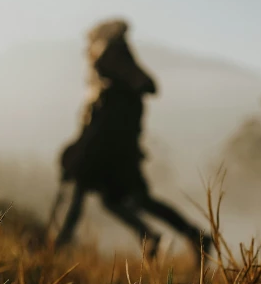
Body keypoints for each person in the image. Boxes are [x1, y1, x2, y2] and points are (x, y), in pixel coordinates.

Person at [51, 18, 214, 262]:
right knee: (115, 200)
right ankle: (167, 235)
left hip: (110, 151)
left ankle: (58, 248)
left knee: (102, 194)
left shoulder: (116, 74)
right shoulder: (109, 80)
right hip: (106, 150)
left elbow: (144, 87)